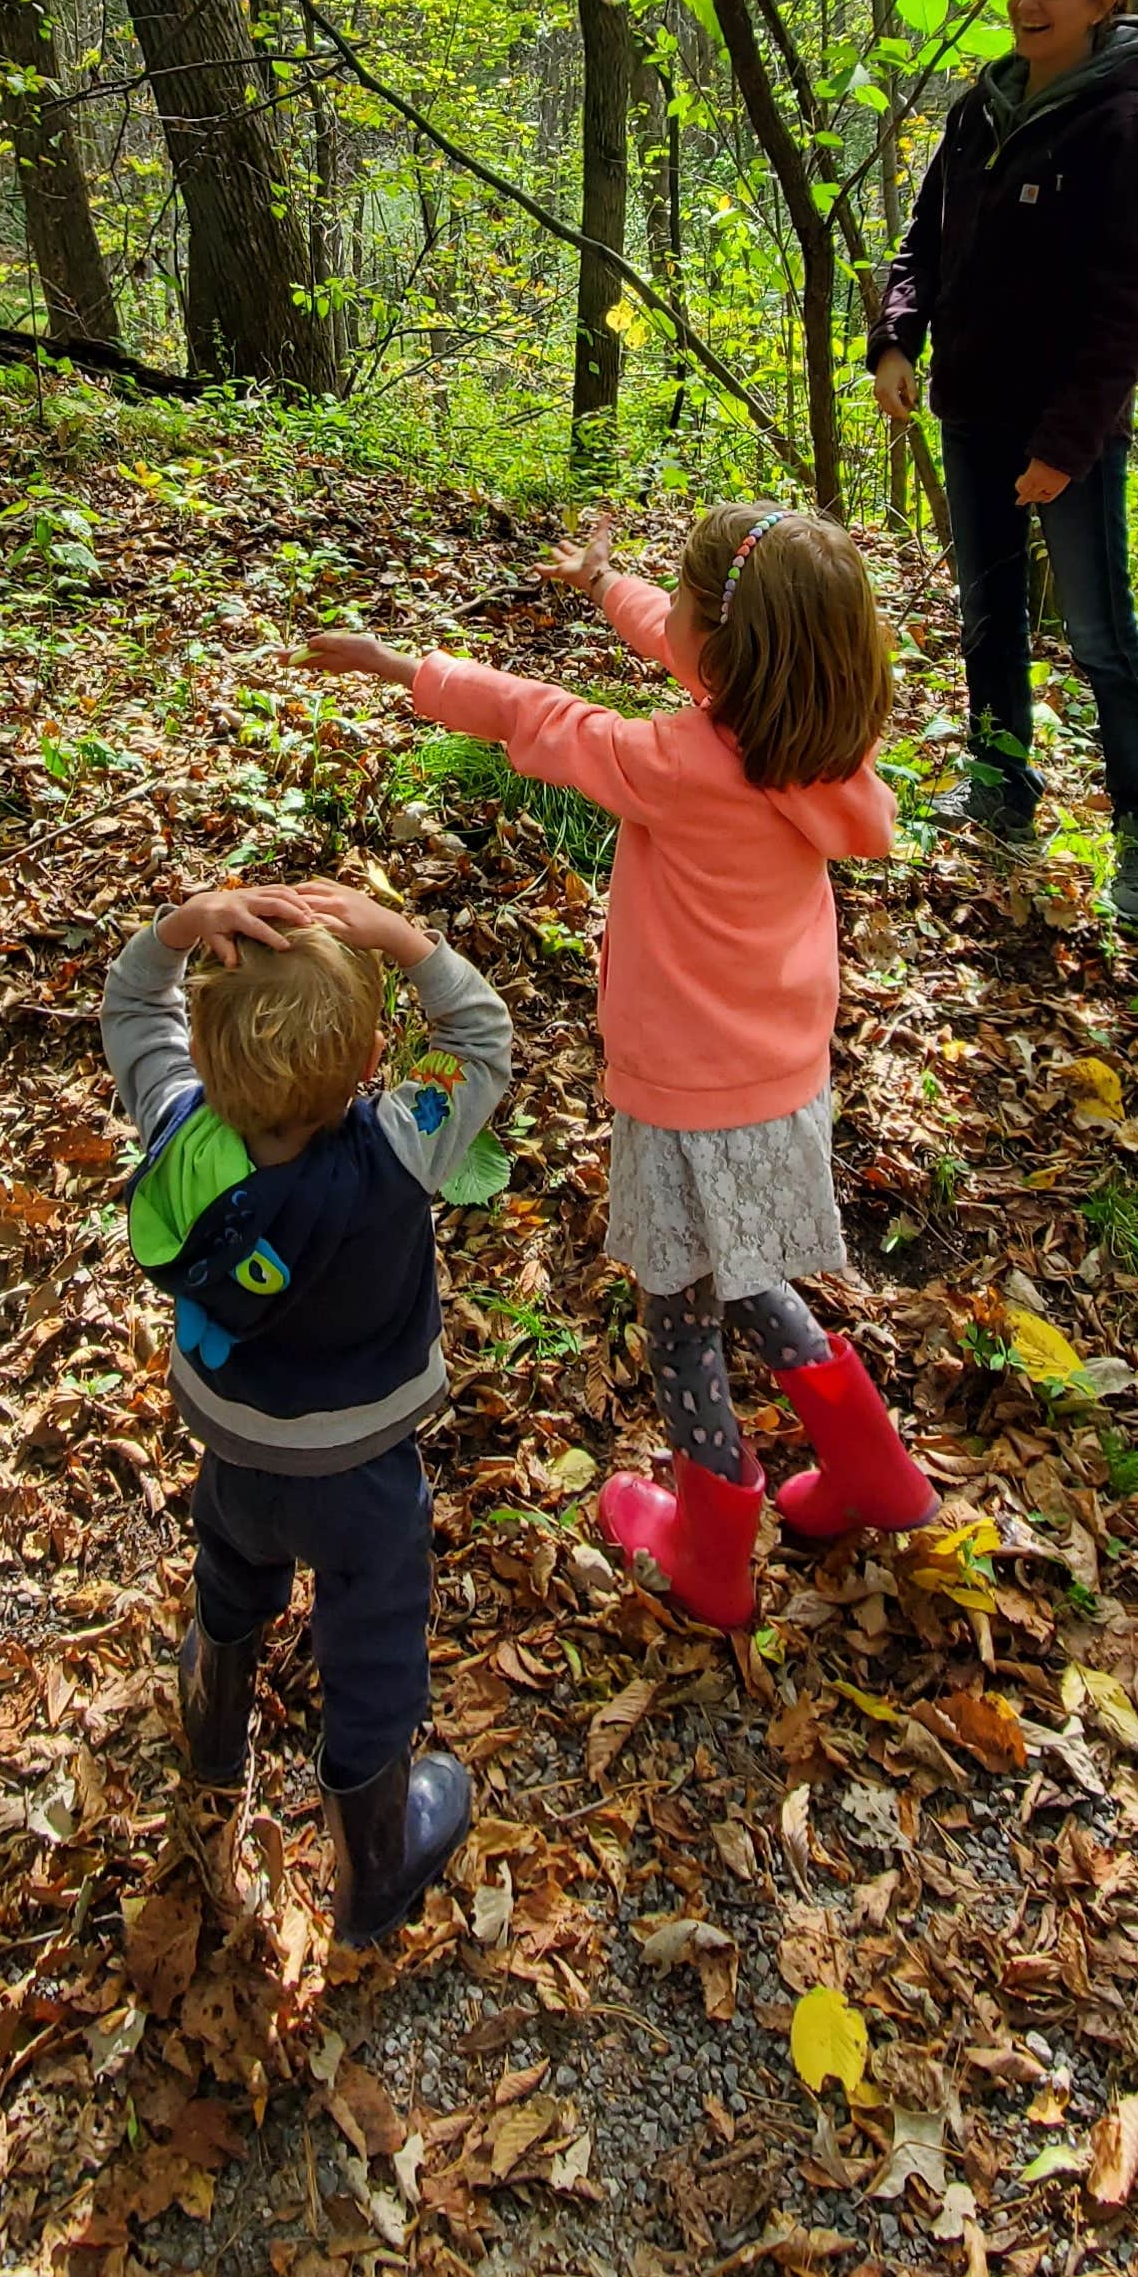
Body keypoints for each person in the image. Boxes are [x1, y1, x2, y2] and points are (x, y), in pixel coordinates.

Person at [308, 505, 934, 1642]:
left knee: (683, 1310)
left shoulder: (675, 763)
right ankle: (871, 1469)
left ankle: (710, 1549)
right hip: (784, 1082)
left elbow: (536, 716)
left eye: (682, 610)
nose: (671, 625)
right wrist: (609, 587)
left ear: (725, 647)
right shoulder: (824, 752)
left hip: (685, 1097)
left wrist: (407, 666)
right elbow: (689, 640)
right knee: (747, 1274)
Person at [101, 875, 512, 1949]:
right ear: (369, 1065)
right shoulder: (398, 1141)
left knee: (232, 1565)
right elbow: (480, 1038)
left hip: (236, 1446)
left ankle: (213, 1716)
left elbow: (129, 1007)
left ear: (206, 1042)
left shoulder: (179, 1125)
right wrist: (405, 942)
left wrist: (182, 924)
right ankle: (374, 1857)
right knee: (371, 1632)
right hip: (363, 1474)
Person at [869, 0, 1138, 924]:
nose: (1028, 3)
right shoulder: (981, 112)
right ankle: (1001, 789)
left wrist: (1065, 443)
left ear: (1106, 5)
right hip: (973, 412)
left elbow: (1132, 307)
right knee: (989, 615)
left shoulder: (1130, 127)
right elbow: (923, 240)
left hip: (1070, 433)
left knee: (1098, 632)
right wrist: (895, 343)